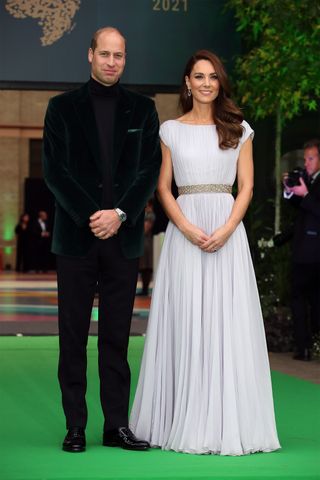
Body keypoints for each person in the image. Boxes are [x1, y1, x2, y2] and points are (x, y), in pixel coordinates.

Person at [130, 50, 280, 455]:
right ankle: (183, 415)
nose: (206, 83)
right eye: (199, 76)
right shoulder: (170, 131)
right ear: (187, 82)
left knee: (224, 321)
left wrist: (228, 228)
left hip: (227, 232)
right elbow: (163, 187)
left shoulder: (239, 128)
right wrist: (187, 227)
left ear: (220, 82)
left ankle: (225, 422)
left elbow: (246, 186)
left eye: (213, 76)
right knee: (186, 320)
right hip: (186, 233)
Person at [42, 27, 161, 453]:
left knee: (116, 337)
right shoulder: (60, 108)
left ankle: (116, 426)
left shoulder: (143, 111)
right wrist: (93, 216)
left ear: (125, 59)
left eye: (119, 56)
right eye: (105, 54)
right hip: (76, 239)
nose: (112, 62)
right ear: (90, 54)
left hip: (122, 239)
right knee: (71, 335)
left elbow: (148, 169)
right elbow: (55, 171)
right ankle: (75, 425)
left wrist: (121, 214)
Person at [283, 139, 320, 361]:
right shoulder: (307, 179)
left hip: (314, 253)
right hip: (302, 251)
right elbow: (300, 207)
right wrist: (290, 191)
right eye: (305, 158)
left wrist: (305, 195)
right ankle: (303, 347)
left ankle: (309, 344)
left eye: (311, 158)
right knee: (299, 299)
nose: (306, 163)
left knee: (313, 301)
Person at [137, 199, 155, 296]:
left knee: (146, 267)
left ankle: (145, 290)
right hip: (144, 242)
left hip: (146, 244)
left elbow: (145, 229)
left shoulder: (150, 215)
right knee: (144, 267)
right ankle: (144, 289)